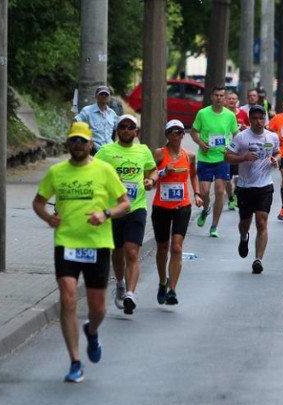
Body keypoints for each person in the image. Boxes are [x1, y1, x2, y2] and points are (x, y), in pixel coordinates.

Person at [32, 122, 130, 383]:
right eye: (73, 141)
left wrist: (105, 213)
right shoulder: (56, 172)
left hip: (97, 245)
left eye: (82, 141)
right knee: (68, 299)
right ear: (68, 144)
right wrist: (47, 218)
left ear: (90, 144)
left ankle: (92, 330)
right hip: (66, 242)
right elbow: (38, 202)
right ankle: (75, 361)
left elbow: (125, 204)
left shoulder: (104, 170)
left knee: (98, 308)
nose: (77, 145)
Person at [94, 114, 157, 315]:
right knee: (118, 252)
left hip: (136, 208)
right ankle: (120, 283)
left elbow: (153, 170)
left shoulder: (143, 151)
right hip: (113, 211)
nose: (127, 130)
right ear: (117, 130)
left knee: (132, 252)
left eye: (131, 127)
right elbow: (92, 172)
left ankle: (130, 293)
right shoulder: (106, 151)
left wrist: (151, 181)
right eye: (123, 127)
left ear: (136, 132)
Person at [151, 120, 203, 305]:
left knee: (177, 247)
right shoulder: (158, 154)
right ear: (166, 135)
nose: (176, 135)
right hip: (161, 207)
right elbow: (150, 177)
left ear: (184, 135)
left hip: (182, 206)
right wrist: (164, 171)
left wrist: (197, 193)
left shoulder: (189, 156)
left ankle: (172, 289)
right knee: (162, 248)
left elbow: (194, 175)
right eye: (172, 132)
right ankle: (162, 281)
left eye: (180, 132)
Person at [225, 105, 280, 274]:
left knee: (262, 220)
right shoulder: (241, 137)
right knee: (245, 223)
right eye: (255, 118)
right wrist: (243, 157)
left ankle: (258, 259)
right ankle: (244, 237)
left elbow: (277, 152)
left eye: (261, 118)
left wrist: (275, 161)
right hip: (245, 186)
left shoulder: (272, 136)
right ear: (250, 120)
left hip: (265, 185)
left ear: (265, 119)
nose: (258, 121)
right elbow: (227, 157)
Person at [191, 86, 239, 237]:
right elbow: (193, 132)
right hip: (205, 158)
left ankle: (214, 226)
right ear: (212, 97)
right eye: (216, 95)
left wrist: (230, 149)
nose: (219, 98)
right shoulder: (203, 113)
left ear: (224, 98)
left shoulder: (230, 116)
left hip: (221, 159)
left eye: (222, 95)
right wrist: (200, 143)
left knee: (219, 191)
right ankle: (206, 209)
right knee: (205, 192)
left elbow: (236, 135)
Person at [224, 90, 249, 211]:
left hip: (239, 150)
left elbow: (250, 128)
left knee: (238, 177)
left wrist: (245, 128)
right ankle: (230, 198)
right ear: (225, 100)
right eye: (229, 98)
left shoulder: (243, 114)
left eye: (234, 99)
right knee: (227, 178)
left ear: (237, 101)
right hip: (225, 150)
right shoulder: (222, 114)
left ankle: (235, 195)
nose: (232, 101)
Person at [74, 85, 118, 152]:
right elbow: (75, 123)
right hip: (94, 151)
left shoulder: (112, 113)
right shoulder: (87, 111)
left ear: (109, 97)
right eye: (101, 94)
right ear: (96, 96)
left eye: (106, 94)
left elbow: (117, 129)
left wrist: (116, 144)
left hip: (110, 151)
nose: (104, 96)